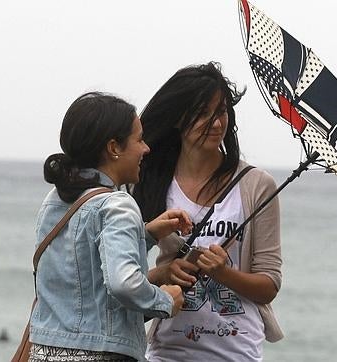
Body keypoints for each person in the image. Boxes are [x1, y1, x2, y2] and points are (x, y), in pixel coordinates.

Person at [133, 62, 284, 361]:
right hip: (168, 350)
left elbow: (268, 285)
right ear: (178, 118)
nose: (216, 123)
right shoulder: (152, 181)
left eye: (221, 112)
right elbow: (124, 276)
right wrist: (165, 272)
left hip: (236, 352)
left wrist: (223, 272)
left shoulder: (256, 186)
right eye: (202, 113)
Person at [30, 92, 190, 362]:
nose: (146, 148)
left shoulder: (54, 201)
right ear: (114, 147)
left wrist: (147, 233)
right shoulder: (119, 205)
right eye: (139, 139)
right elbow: (124, 284)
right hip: (103, 353)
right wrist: (165, 300)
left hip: (44, 350)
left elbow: (80, 267)